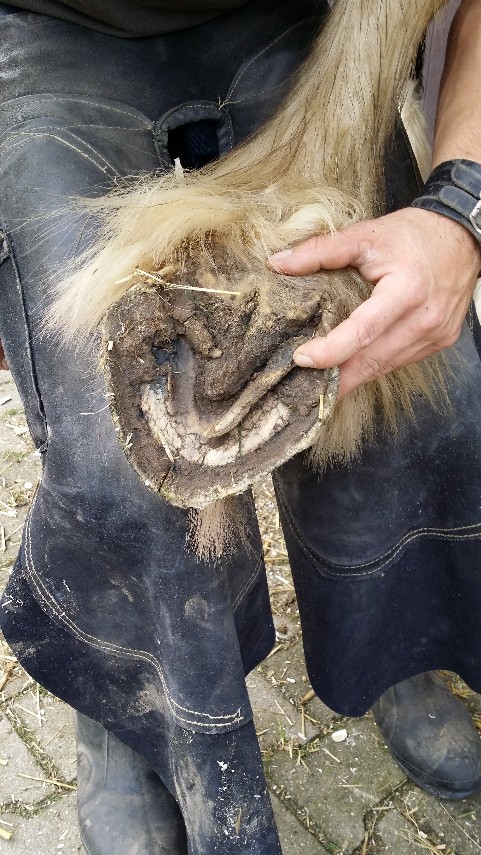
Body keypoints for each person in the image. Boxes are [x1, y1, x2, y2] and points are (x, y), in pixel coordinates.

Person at [0, 1, 481, 854]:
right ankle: (127, 690)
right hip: (42, 33)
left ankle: (397, 626)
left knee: (419, 400)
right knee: (115, 455)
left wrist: (459, 208)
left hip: (298, 24)